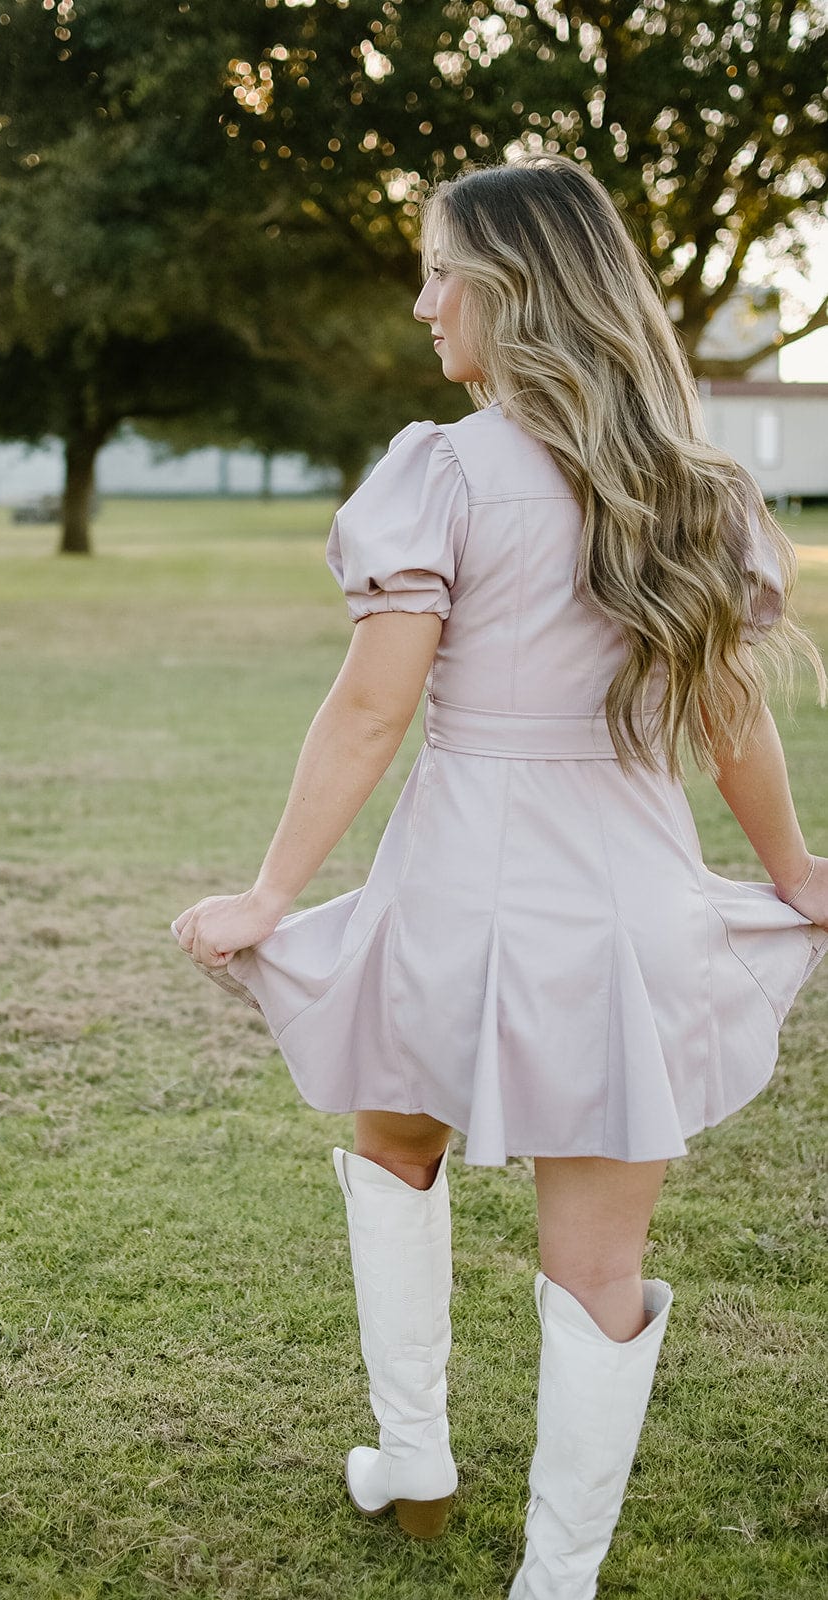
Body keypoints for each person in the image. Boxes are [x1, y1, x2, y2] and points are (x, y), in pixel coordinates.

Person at [170, 154, 828, 1597]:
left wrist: (271, 896)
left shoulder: (445, 473)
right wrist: (794, 872)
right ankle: (556, 1578)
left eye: (437, 273)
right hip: (628, 912)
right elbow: (732, 721)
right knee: (597, 1261)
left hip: (453, 897)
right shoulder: (695, 492)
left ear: (509, 294)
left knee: (397, 1144)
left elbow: (368, 710)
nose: (422, 306)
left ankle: (416, 1457)